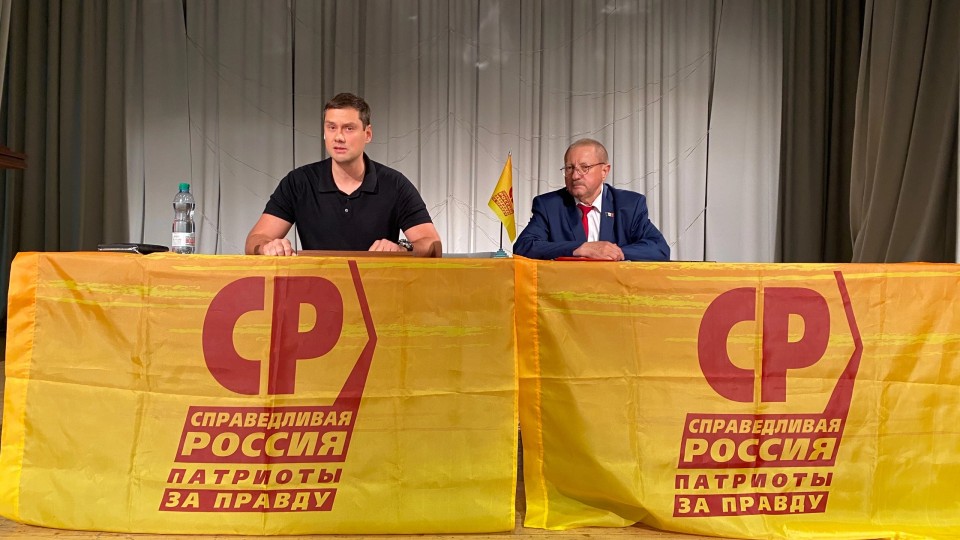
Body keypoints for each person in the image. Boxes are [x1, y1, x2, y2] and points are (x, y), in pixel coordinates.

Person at [245, 93, 442, 257]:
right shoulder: (298, 182)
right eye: (331, 127)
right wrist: (267, 247)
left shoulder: (394, 184)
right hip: (318, 289)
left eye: (349, 128)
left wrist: (402, 249)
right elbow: (254, 241)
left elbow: (432, 244)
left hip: (379, 288)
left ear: (368, 134)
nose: (338, 137)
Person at [513, 138, 669, 261]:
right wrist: (580, 248)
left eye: (584, 167)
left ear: (604, 171)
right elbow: (524, 246)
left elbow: (659, 248)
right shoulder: (549, 206)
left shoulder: (629, 205)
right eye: (569, 168)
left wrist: (613, 253)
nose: (575, 176)